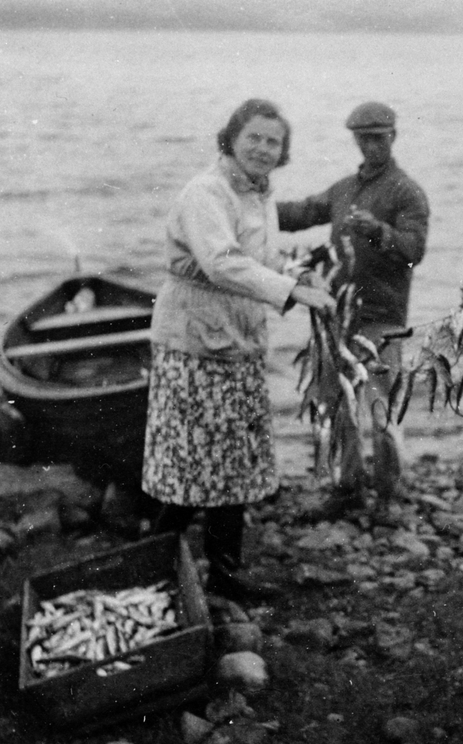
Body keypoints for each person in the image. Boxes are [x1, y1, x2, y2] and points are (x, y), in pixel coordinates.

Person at [142, 99, 336, 602]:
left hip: (240, 340)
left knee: (233, 461)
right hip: (194, 342)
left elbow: (264, 259)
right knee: (187, 463)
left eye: (274, 142)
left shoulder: (259, 196)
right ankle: (151, 572)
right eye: (254, 137)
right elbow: (222, 263)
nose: (264, 149)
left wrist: (298, 275)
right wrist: (291, 293)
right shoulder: (206, 192)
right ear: (231, 138)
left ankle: (226, 577)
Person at [277, 101, 430, 517]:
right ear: (355, 141)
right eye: (363, 139)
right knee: (338, 405)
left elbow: (414, 250)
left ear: (393, 137)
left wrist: (379, 232)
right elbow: (304, 211)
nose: (370, 146)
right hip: (338, 318)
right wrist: (255, 203)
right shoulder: (345, 188)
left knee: (383, 411)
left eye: (377, 138)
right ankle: (346, 489)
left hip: (383, 320)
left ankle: (387, 495)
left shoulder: (407, 191)